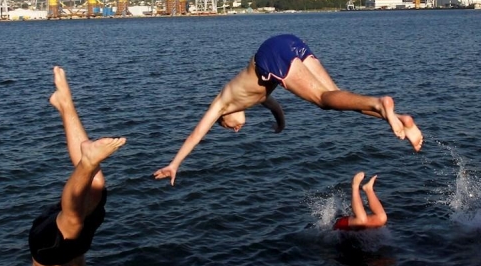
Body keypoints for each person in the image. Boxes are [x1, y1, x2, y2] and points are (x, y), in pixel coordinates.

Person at [153, 33, 423, 185]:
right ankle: (400, 119)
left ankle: (381, 102)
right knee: (337, 97)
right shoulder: (251, 99)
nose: (235, 128)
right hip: (287, 42)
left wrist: (175, 164)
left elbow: (196, 135)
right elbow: (274, 105)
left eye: (227, 126)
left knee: (321, 101)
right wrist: (281, 124)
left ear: (222, 117)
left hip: (271, 56)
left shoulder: (221, 102)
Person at [24, 66, 126, 266]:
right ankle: (65, 103)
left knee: (73, 222)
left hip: (45, 246)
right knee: (97, 186)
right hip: (76, 237)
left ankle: (88, 161)